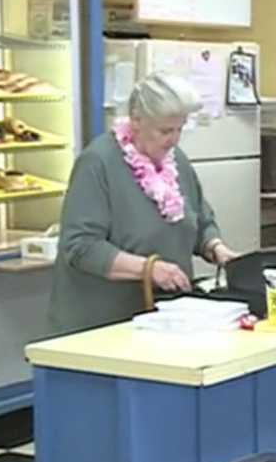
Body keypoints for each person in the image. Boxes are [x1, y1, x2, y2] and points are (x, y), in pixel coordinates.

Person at [48, 73, 240, 331]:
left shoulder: (176, 160)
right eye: (165, 130)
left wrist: (215, 247)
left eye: (179, 129)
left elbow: (199, 220)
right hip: (101, 326)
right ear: (136, 121)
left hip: (165, 320)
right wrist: (149, 269)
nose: (174, 139)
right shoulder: (97, 163)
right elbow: (80, 246)